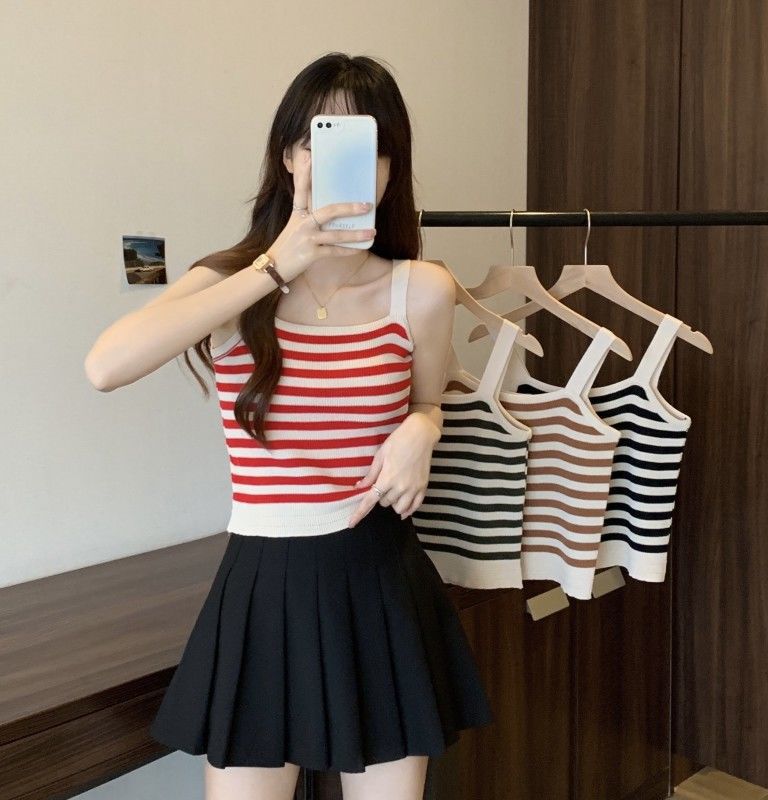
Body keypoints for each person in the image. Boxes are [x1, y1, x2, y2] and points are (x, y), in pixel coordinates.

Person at [84, 52, 493, 800]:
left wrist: (425, 429)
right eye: (320, 141)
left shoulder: (422, 291)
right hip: (262, 585)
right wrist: (275, 266)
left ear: (391, 169)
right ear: (289, 157)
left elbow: (428, 401)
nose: (346, 166)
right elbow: (106, 366)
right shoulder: (232, 284)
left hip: (380, 582)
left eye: (370, 147)